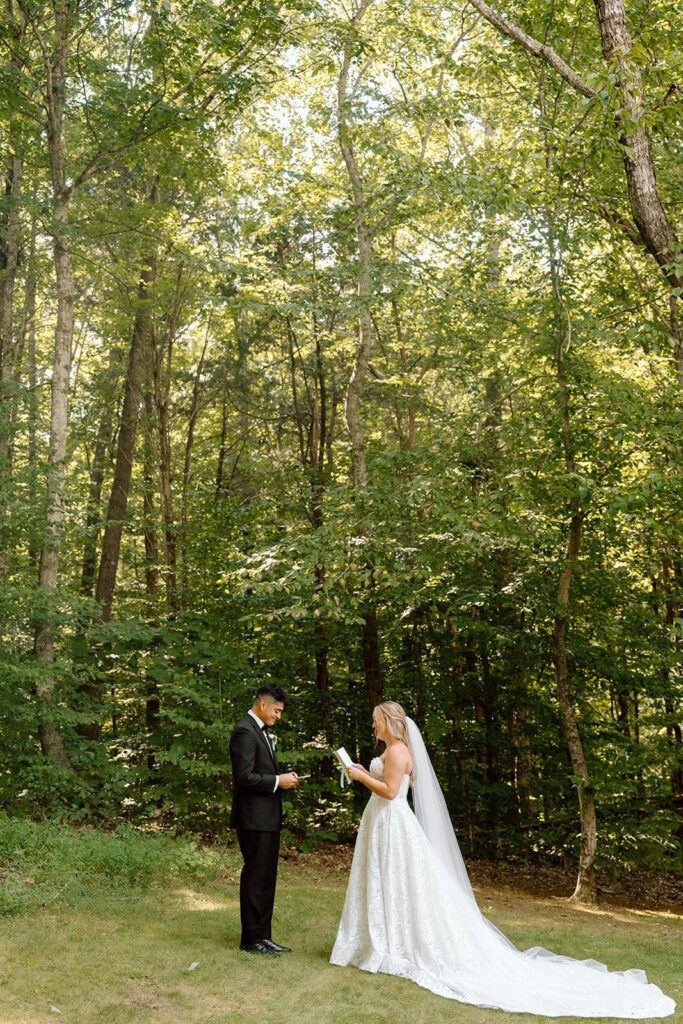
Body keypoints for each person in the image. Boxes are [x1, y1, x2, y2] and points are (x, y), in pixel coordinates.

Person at [330, 700, 676, 1018]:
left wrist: (361, 777)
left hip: (393, 825)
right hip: (383, 824)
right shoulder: (392, 750)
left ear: (390, 722)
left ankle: (394, 945)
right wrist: (362, 769)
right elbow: (386, 782)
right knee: (387, 882)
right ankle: (385, 941)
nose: (372, 726)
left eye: (376, 721)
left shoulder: (398, 751)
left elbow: (391, 792)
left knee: (398, 882)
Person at [229, 684, 300, 956]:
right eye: (277, 710)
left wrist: (280, 779)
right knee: (255, 878)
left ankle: (264, 936)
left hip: (267, 818)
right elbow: (244, 778)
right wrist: (277, 781)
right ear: (263, 705)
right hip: (253, 819)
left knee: (267, 879)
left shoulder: (260, 731)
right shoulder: (245, 731)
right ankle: (250, 939)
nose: (278, 716)